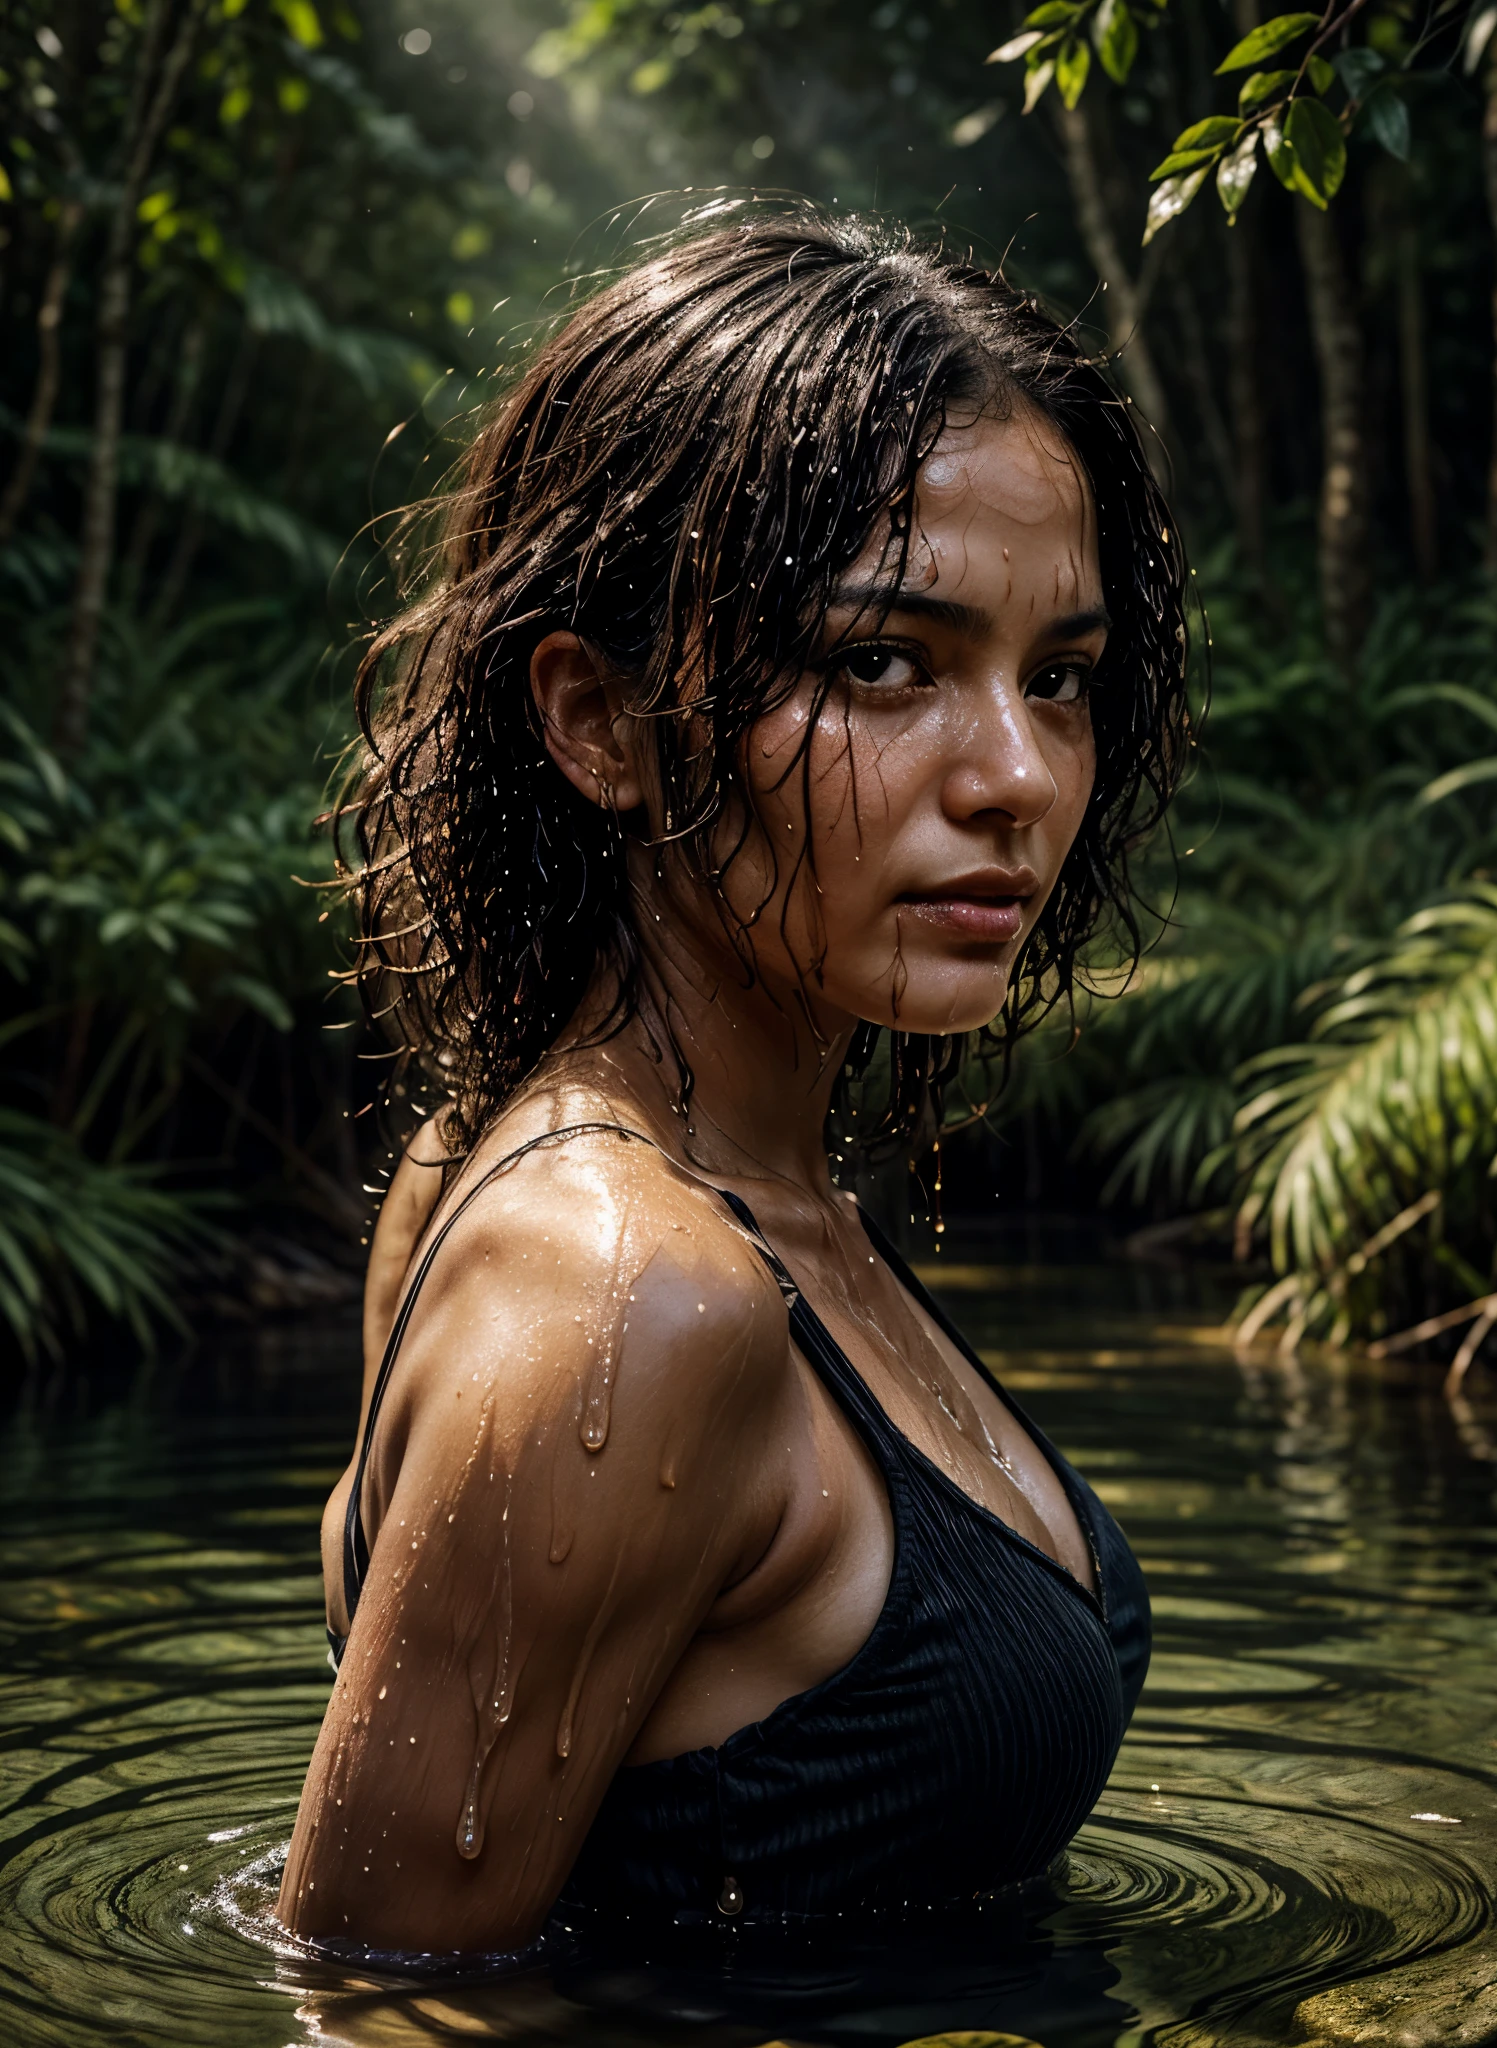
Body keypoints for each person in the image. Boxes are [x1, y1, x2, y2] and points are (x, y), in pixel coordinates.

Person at [277, 207, 1185, 1959]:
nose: (1017, 775)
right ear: (599, 721)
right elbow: (386, 2002)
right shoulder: (624, 1289)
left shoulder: (669, 1191)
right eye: (885, 662)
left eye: (1060, 678)